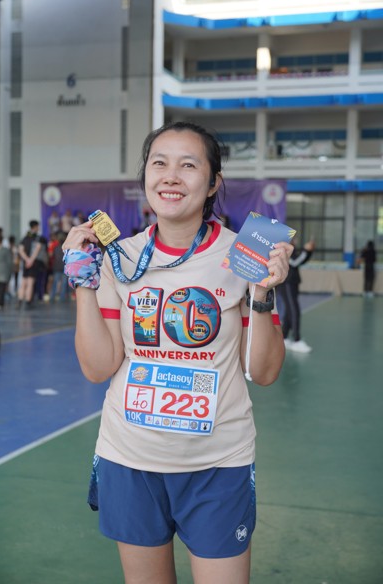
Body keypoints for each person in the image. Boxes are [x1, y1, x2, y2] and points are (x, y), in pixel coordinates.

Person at [62, 121, 292, 584]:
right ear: (145, 175)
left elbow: (264, 372)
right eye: (159, 163)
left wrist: (263, 294)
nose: (171, 176)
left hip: (218, 463)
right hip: (129, 457)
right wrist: (84, 283)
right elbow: (98, 368)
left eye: (188, 165)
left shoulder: (246, 253)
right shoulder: (119, 257)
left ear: (213, 183)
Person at [278, 236, 315, 353]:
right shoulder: (283, 250)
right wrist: (306, 250)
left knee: (290, 311)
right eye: (293, 238)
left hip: (291, 283)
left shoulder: (290, 249)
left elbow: (300, 261)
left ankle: (284, 337)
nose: (296, 240)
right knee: (294, 310)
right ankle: (296, 340)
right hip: (287, 283)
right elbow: (294, 262)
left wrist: (309, 251)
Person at [17, 220, 42, 308]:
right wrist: (30, 260)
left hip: (25, 263)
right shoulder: (37, 238)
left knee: (23, 282)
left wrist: (26, 260)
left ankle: (20, 301)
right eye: (38, 226)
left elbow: (20, 250)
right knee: (30, 282)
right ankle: (28, 302)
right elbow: (37, 249)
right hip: (33, 263)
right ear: (35, 227)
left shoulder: (25, 237)